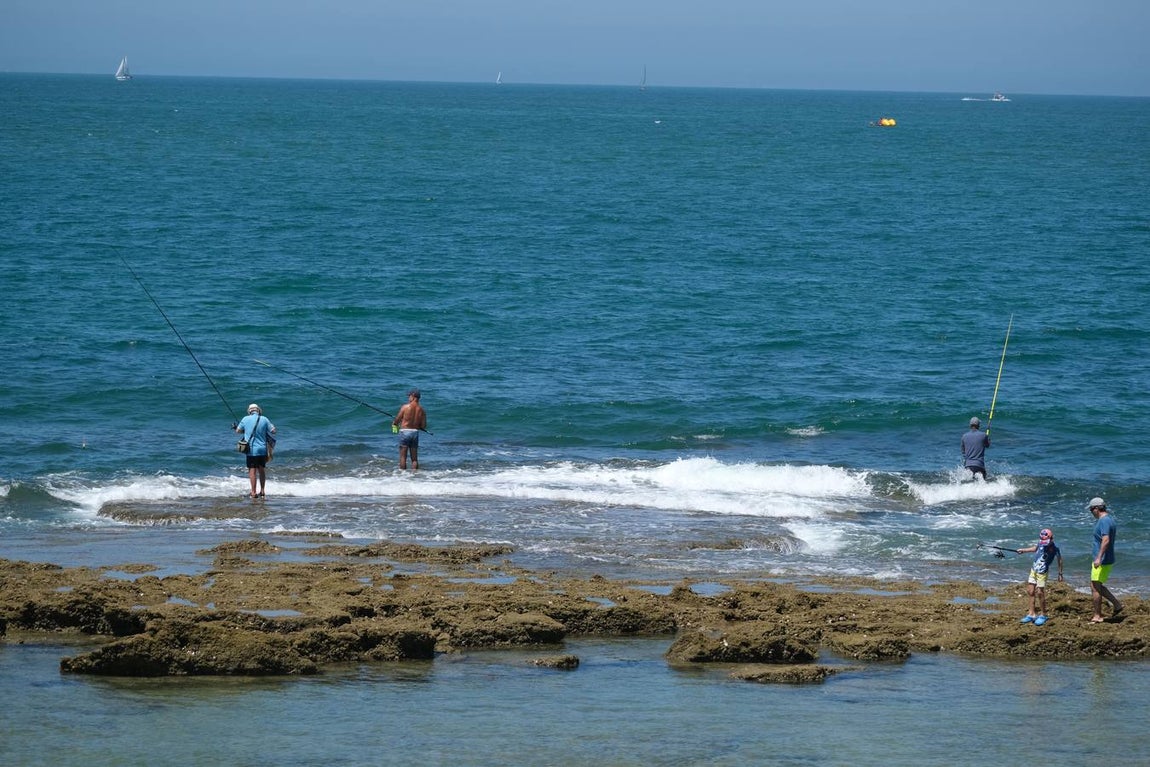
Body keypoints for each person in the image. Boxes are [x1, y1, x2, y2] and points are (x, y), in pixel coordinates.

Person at [1016, 528, 1062, 626]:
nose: (1044, 543)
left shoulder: (1055, 548)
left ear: (1051, 538)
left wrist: (1060, 574)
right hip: (1034, 569)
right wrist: (1023, 550)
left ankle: (1043, 615)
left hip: (1042, 572)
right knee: (1030, 591)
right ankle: (1031, 614)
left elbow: (1060, 560)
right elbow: (1035, 548)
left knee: (1040, 592)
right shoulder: (1041, 542)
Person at [1088, 497, 1122, 623]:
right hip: (1104, 559)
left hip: (1102, 560)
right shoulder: (1109, 520)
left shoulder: (1104, 521)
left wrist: (1098, 557)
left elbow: (1106, 540)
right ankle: (1117, 605)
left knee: (1095, 586)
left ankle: (1097, 615)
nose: (1091, 513)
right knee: (1097, 585)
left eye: (1091, 510)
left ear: (1096, 508)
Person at [234, 403, 276, 498]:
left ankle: (253, 492)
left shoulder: (245, 419)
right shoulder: (264, 419)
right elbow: (273, 431)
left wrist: (238, 428)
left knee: (252, 471)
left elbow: (238, 431)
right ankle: (262, 491)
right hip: (262, 449)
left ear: (250, 411)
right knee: (261, 470)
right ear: (258, 410)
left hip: (251, 450)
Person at [391, 389, 427, 471]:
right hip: (415, 433)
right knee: (414, 458)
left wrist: (395, 423)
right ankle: (414, 475)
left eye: (409, 396)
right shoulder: (422, 410)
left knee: (403, 457)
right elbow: (423, 426)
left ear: (413, 396)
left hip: (405, 432)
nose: (408, 398)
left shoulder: (405, 407)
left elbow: (397, 419)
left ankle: (403, 476)